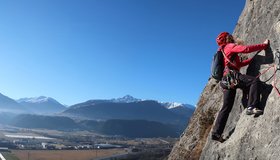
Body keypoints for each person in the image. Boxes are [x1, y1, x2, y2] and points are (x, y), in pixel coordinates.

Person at [211, 32, 269, 142]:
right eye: (230, 36)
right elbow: (246, 49)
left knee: (226, 107)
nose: (232, 37)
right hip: (232, 76)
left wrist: (251, 61)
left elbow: (238, 65)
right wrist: (264, 45)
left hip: (225, 82)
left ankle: (216, 133)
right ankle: (252, 106)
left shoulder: (222, 51)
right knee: (254, 82)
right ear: (228, 38)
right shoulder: (229, 46)